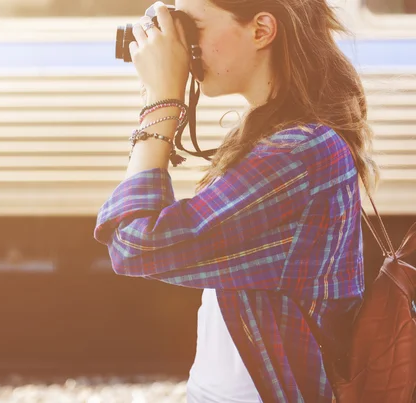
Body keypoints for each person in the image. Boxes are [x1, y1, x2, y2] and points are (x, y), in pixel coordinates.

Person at [93, 0, 379, 402]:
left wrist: (160, 103)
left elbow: (135, 244)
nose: (183, 45)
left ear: (262, 30)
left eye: (194, 28)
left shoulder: (297, 154)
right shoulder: (278, 136)